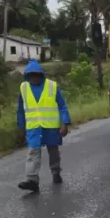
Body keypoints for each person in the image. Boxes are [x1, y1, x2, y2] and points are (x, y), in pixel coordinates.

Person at [17, 60, 71, 193]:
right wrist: (22, 127)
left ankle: (56, 172)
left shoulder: (52, 86)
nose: (34, 78)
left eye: (36, 75)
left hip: (50, 127)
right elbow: (20, 110)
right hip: (33, 127)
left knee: (53, 151)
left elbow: (62, 106)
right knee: (33, 153)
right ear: (27, 76)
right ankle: (32, 181)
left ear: (41, 75)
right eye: (31, 75)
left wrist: (64, 123)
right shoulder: (23, 88)